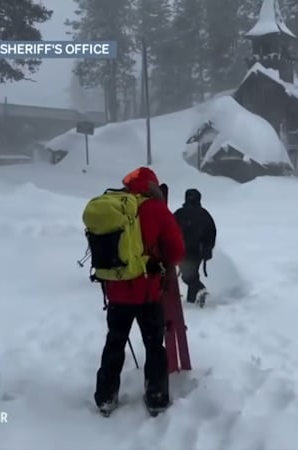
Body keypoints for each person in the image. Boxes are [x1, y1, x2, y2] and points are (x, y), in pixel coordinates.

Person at [94, 167, 185, 413]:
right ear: (153, 187)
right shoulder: (156, 209)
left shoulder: (115, 208)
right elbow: (177, 250)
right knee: (154, 345)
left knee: (114, 342)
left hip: (116, 291)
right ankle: (156, 396)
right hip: (147, 292)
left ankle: (105, 396)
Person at [173, 189, 217, 306]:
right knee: (192, 275)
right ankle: (191, 301)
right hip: (197, 251)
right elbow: (211, 234)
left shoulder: (179, 213)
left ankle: (200, 290)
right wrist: (208, 249)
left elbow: (169, 230)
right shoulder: (204, 214)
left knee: (188, 277)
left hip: (183, 250)